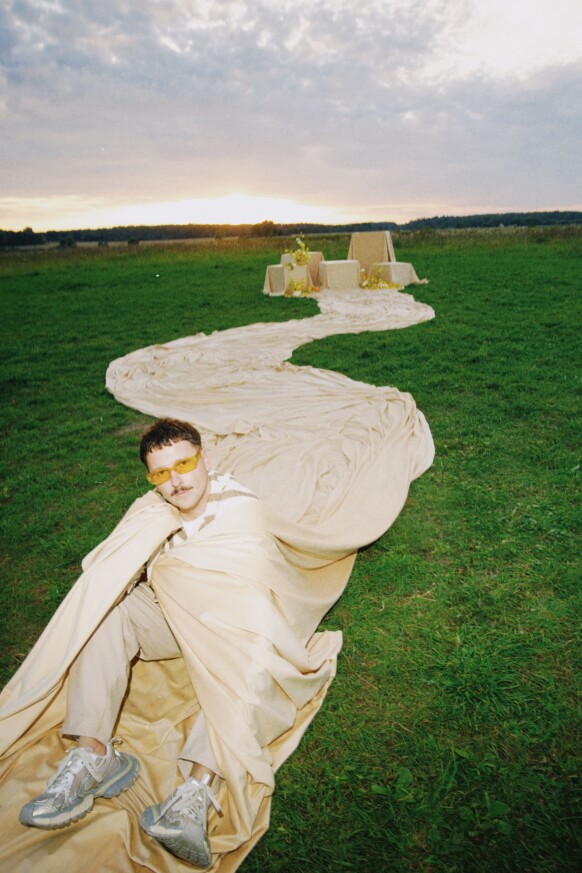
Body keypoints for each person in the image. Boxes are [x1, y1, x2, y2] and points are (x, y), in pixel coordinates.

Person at [18, 418, 264, 870]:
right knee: (105, 613)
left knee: (250, 654)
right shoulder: (151, 510)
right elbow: (112, 566)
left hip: (225, 622)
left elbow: (253, 590)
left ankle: (193, 794)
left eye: (184, 464)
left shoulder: (241, 508)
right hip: (167, 614)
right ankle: (94, 756)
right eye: (161, 473)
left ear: (205, 459)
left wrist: (173, 574)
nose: (176, 481)